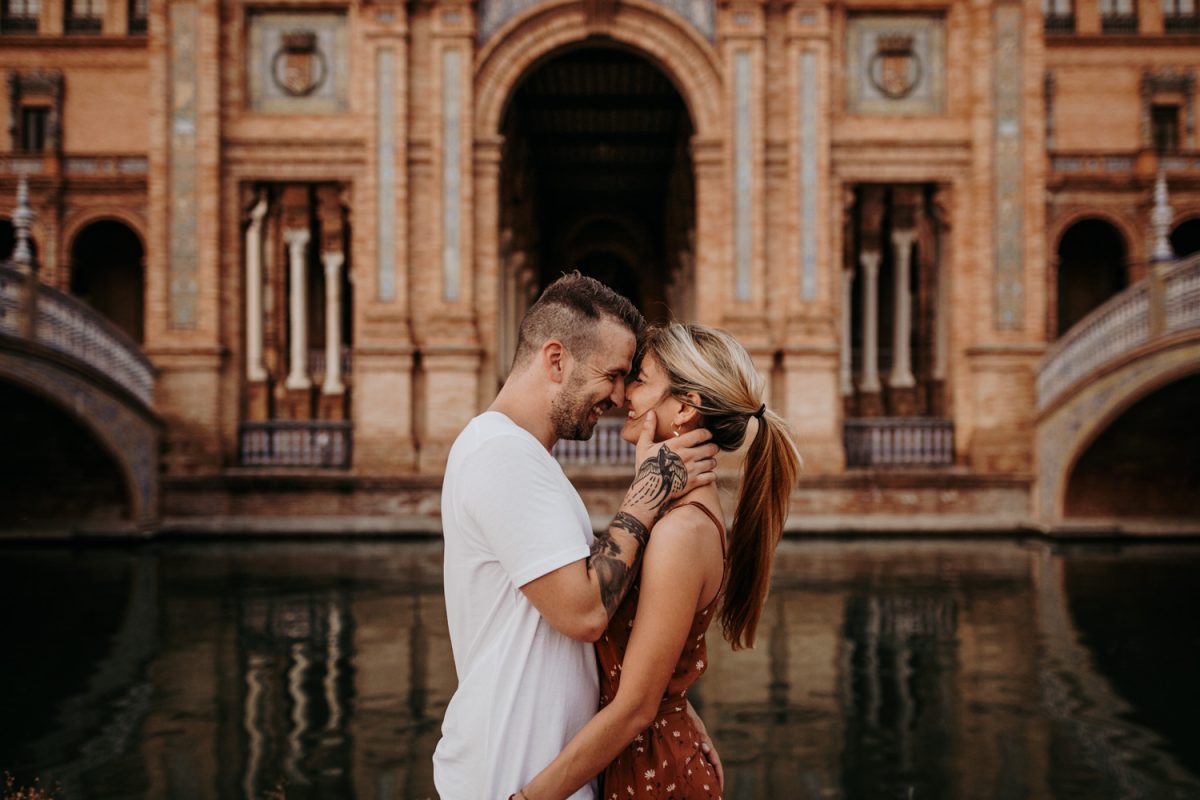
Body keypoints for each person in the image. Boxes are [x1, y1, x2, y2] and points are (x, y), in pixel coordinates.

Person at [434, 274, 721, 800]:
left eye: (630, 378)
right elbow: (586, 613)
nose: (618, 396)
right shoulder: (500, 455)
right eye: (612, 375)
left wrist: (670, 704)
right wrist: (645, 495)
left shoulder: (531, 461)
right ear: (556, 359)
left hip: (548, 774)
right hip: (507, 774)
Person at [511, 322, 802, 800]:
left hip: (656, 774)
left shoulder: (681, 532)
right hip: (649, 758)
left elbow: (636, 708)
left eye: (641, 379)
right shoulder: (678, 511)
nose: (625, 394)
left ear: (685, 409)